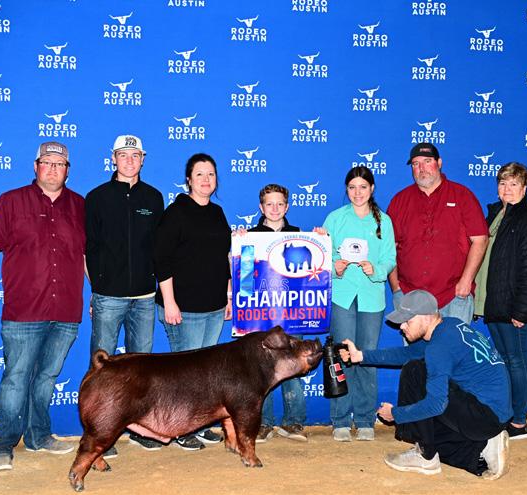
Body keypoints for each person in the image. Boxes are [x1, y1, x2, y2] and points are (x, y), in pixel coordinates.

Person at [0, 142, 85, 471]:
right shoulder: (11, 201)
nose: (53, 169)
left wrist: (97, 293)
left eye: (60, 164)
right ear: (35, 167)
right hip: (24, 309)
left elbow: (85, 255)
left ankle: (39, 435)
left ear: (67, 170)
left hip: (66, 309)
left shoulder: (80, 205)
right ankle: (3, 443)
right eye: (47, 162)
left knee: (47, 377)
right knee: (16, 378)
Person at [340, 290, 512, 479]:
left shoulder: (439, 347)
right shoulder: (449, 326)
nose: (402, 327)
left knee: (414, 371)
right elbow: (407, 353)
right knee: (432, 433)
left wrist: (396, 414)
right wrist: (360, 356)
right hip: (491, 414)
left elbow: (436, 405)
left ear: (427, 316)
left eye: (407, 321)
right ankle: (484, 448)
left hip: (484, 415)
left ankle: (425, 455)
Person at [85, 135, 165, 456]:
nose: (129, 160)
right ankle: (98, 434)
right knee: (102, 368)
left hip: (145, 297)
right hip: (108, 296)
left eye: (135, 155)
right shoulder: (97, 197)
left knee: (140, 370)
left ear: (143, 159)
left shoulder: (154, 197)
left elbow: (160, 247)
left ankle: (139, 430)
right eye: (123, 155)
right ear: (113, 158)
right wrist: (97, 289)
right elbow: (89, 248)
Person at [154, 153, 232, 450]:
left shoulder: (218, 213)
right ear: (189, 179)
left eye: (210, 174)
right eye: (199, 174)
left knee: (204, 374)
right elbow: (161, 259)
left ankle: (198, 424)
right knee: (184, 374)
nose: (206, 179)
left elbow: (224, 258)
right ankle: (179, 428)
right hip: (183, 307)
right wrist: (169, 301)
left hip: (213, 306)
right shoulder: (176, 212)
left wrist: (228, 295)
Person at [317, 166, 395, 442]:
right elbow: (321, 256)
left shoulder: (384, 221)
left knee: (367, 357)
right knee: (341, 357)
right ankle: (340, 419)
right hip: (342, 295)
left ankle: (364, 419)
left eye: (363, 187)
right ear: (346, 190)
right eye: (352, 187)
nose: (357, 193)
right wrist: (334, 267)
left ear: (372, 189)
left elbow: (390, 258)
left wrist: (376, 269)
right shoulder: (335, 218)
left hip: (372, 298)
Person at [473, 162, 527, 440]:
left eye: (514, 184)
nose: (507, 189)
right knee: (505, 361)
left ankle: (519, 422)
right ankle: (508, 415)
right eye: (503, 183)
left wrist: (523, 310)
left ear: (525, 188)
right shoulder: (496, 214)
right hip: (494, 302)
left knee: (517, 361)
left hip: (512, 306)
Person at [387, 143, 488, 324]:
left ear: (439, 163)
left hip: (454, 295)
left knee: (453, 343)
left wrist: (466, 281)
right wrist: (396, 288)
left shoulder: (462, 196)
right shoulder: (400, 200)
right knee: (415, 345)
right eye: (416, 164)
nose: (421, 168)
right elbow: (389, 248)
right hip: (411, 296)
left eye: (427, 161)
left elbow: (480, 239)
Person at [247, 184, 308, 443]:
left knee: (293, 363)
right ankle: (264, 422)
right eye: (269, 204)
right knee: (263, 369)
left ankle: (294, 420)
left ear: (287, 206)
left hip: (292, 312)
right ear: (261, 208)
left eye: (280, 204)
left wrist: (322, 239)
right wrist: (238, 247)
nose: (275, 208)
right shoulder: (249, 236)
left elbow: (310, 272)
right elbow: (243, 274)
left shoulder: (301, 236)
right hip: (261, 313)